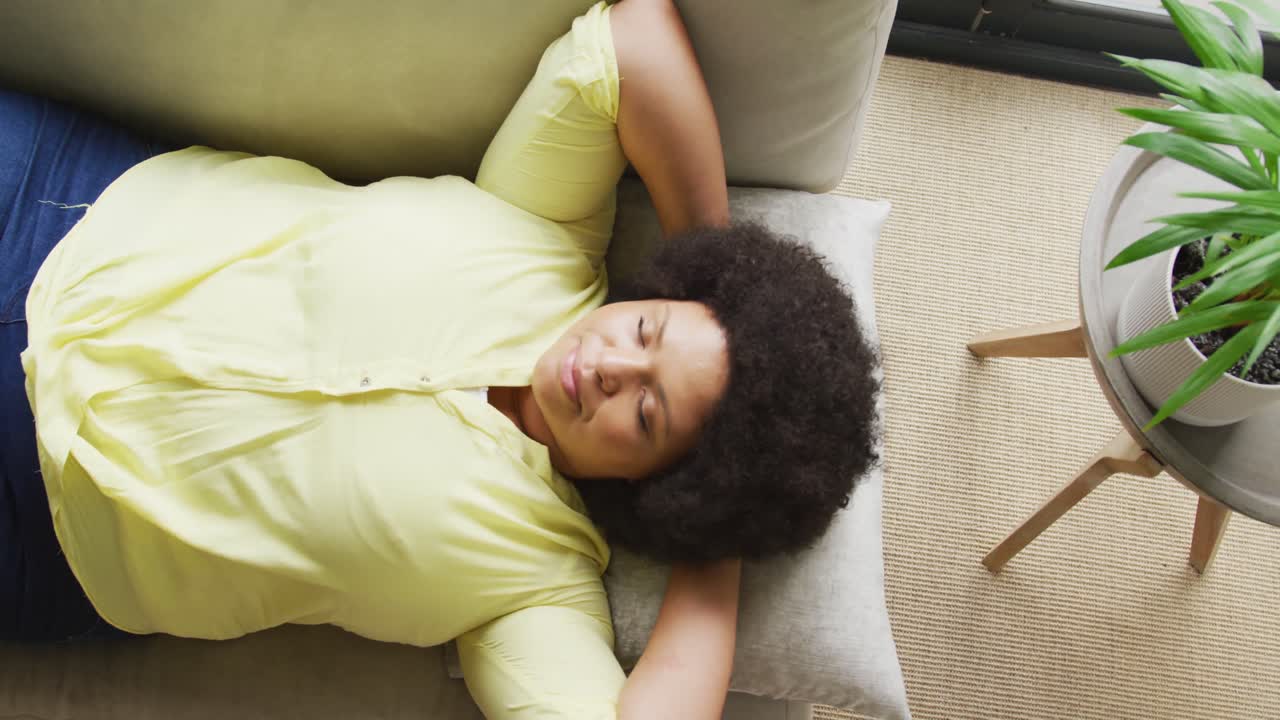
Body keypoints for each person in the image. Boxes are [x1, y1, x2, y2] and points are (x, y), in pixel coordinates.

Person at [0, 0, 879, 718]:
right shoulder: (548, 225)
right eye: (647, 330)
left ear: (666, 490)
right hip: (58, 210)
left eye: (647, 414)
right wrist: (717, 270)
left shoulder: (534, 588)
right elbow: (634, 36)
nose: (613, 366)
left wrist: (714, 543)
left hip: (45, 519)